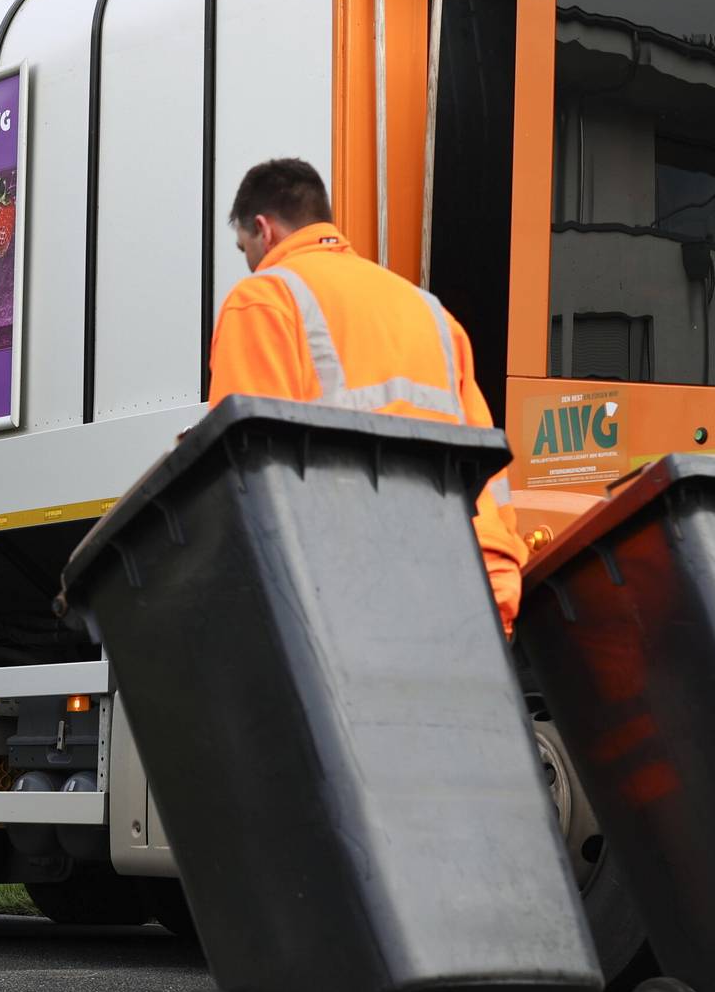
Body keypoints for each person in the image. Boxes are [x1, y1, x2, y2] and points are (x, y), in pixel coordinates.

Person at [207, 157, 527, 634]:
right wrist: (498, 602)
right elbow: (489, 484)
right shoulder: (433, 315)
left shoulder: (263, 299)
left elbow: (246, 473)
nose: (249, 262)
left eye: (244, 248)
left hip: (337, 605)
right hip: (460, 603)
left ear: (264, 229)